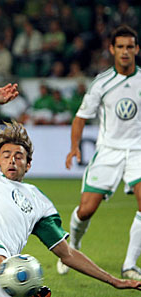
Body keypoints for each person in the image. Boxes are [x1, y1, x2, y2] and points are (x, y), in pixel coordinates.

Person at [0, 83, 141, 297]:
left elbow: (67, 254)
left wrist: (114, 281)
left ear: (28, 164)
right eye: (6, 156)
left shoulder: (38, 201)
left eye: (19, 156)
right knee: (12, 274)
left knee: (7, 275)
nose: (12, 160)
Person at [57, 25, 141, 280]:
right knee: (86, 210)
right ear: (112, 49)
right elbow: (80, 117)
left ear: (137, 49)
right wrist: (74, 148)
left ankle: (129, 264)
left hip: (138, 151)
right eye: (121, 47)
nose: (125, 52)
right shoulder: (102, 83)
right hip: (108, 152)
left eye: (130, 47)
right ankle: (73, 248)